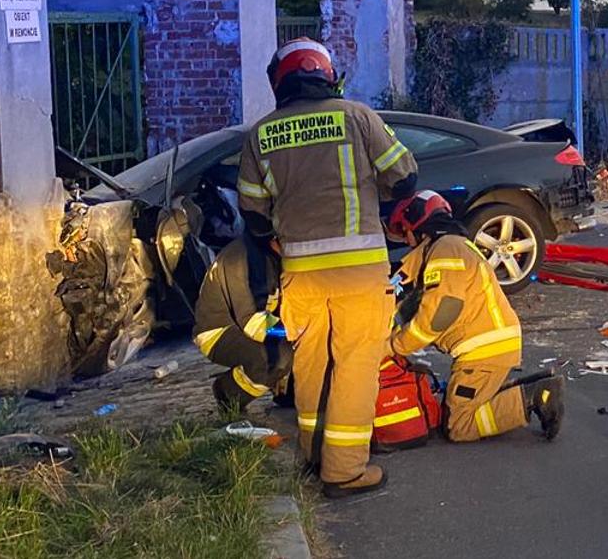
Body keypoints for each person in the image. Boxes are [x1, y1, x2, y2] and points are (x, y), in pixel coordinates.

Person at [237, 37, 418, 499]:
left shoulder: (261, 134)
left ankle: (315, 457)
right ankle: (344, 470)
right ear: (327, 75)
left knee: (312, 366)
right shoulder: (357, 117)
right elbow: (405, 177)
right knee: (355, 368)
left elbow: (253, 215)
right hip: (360, 272)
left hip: (301, 275)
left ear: (280, 82)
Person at [387, 190, 565, 442]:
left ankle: (535, 396)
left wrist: (396, 345)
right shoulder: (444, 247)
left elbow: (442, 311)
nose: (406, 239)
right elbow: (400, 292)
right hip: (491, 345)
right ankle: (535, 386)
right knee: (463, 404)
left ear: (418, 225)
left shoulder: (447, 249)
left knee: (458, 425)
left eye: (405, 231)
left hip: (483, 351)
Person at [194, 239, 292, 411]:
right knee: (278, 357)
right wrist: (290, 333)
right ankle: (228, 392)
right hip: (219, 332)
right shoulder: (239, 259)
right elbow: (252, 322)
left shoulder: (273, 256)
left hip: (257, 324)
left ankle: (287, 392)